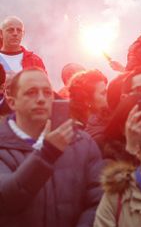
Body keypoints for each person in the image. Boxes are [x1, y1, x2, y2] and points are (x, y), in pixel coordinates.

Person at [0, 67, 103, 226]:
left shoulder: (82, 142)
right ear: (12, 102)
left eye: (47, 93)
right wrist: (47, 153)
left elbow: (98, 201)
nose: (41, 99)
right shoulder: (3, 144)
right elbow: (7, 200)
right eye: (31, 92)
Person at [68, 69, 109, 141]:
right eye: (103, 93)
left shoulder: (105, 117)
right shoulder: (78, 132)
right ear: (87, 101)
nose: (108, 96)